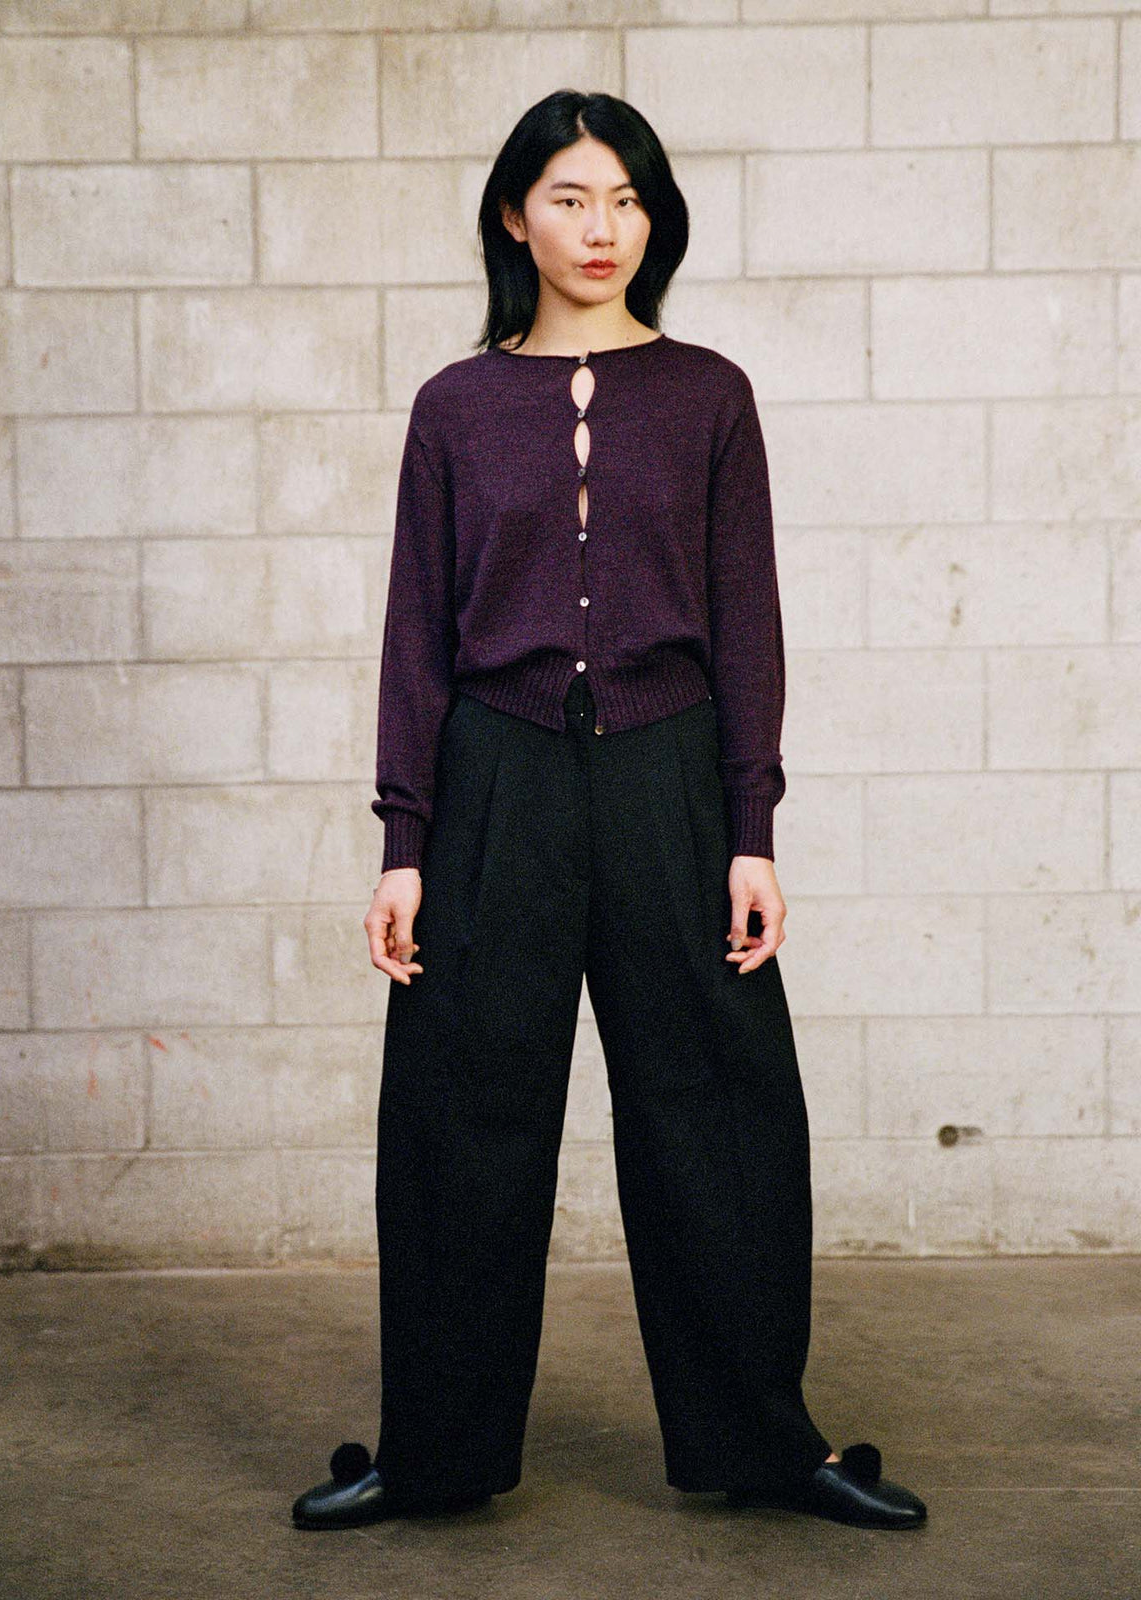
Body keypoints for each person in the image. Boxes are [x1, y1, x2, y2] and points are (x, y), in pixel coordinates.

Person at [291, 89, 926, 1535]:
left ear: (656, 218)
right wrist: (405, 844)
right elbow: (414, 640)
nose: (603, 226)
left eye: (628, 197)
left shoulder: (711, 394)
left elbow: (748, 627)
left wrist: (751, 822)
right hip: (497, 781)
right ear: (517, 214)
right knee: (459, 1117)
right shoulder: (455, 408)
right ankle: (436, 1453)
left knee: (721, 1115)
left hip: (671, 776)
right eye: (572, 196)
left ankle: (767, 1443)